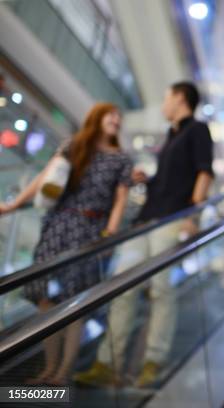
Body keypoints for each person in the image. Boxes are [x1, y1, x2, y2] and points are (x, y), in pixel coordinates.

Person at [74, 81, 214, 388]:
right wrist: (146, 179)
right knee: (122, 286)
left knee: (161, 290)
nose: (163, 105)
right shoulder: (170, 135)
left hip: (172, 218)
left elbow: (204, 172)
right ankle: (108, 363)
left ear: (179, 98)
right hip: (146, 220)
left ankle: (153, 360)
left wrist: (193, 216)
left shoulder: (198, 130)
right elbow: (168, 178)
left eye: (166, 98)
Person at [0, 103, 133, 385]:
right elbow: (44, 178)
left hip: (90, 231)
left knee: (76, 302)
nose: (116, 120)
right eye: (111, 115)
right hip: (58, 225)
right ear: (97, 118)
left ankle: (62, 374)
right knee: (45, 298)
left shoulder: (122, 159)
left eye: (119, 118)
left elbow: (120, 200)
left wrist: (110, 233)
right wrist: (14, 205)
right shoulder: (75, 146)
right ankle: (48, 370)